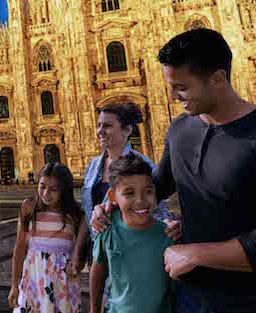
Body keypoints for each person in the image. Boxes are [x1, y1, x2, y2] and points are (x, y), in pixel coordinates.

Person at [90, 29, 256, 313]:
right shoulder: (181, 130)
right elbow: (156, 186)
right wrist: (111, 205)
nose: (171, 96)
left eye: (180, 87)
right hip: (192, 297)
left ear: (217, 79)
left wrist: (195, 253)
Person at [69, 103, 179, 277]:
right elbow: (87, 213)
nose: (100, 131)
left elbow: (158, 213)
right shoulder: (93, 166)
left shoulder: (142, 165)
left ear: (127, 131)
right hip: (99, 255)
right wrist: (77, 254)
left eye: (107, 126)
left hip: (132, 256)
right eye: (99, 125)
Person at [90, 153, 174, 313]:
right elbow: (98, 271)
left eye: (148, 191)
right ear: (113, 197)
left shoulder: (167, 235)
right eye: (129, 193)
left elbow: (174, 288)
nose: (140, 200)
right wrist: (94, 309)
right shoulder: (107, 228)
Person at [8, 162, 82, 313]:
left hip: (61, 285)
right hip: (33, 281)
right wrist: (14, 285)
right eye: (42, 186)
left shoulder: (74, 213)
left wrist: (76, 264)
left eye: (54, 189)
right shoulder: (29, 207)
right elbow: (20, 248)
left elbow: (81, 250)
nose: (46, 194)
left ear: (64, 190)